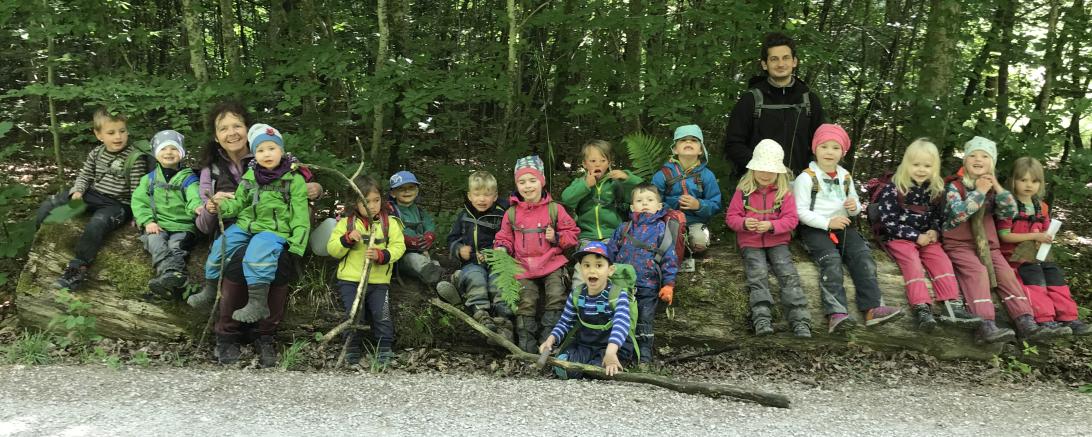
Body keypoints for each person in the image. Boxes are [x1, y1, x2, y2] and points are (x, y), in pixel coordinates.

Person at [193, 124, 311, 366]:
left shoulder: (293, 179)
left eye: (272, 149)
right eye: (261, 150)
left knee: (257, 254)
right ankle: (210, 287)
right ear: (254, 154)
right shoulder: (251, 174)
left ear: (282, 151)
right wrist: (221, 206)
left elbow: (300, 215)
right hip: (248, 224)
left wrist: (297, 245)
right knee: (222, 245)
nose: (267, 154)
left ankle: (259, 311)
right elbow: (239, 203)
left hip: (274, 230)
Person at [941, 137, 1061, 344]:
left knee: (1006, 274)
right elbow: (958, 215)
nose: (978, 159)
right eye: (973, 155)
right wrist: (978, 192)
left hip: (990, 245)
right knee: (978, 273)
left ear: (992, 163)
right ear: (965, 160)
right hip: (959, 244)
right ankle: (985, 325)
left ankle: (1025, 321)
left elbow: (1010, 210)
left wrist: (994, 185)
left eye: (985, 156)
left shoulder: (994, 189)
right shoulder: (955, 187)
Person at [794, 123, 902, 334]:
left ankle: (873, 308)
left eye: (835, 148)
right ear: (815, 148)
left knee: (862, 255)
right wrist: (827, 223)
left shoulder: (845, 176)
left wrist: (853, 207)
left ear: (843, 152)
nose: (829, 152)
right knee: (831, 260)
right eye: (824, 146)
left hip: (842, 227)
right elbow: (799, 212)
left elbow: (853, 203)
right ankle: (836, 313)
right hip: (814, 228)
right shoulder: (806, 178)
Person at [873, 139, 981, 331]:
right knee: (912, 263)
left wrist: (934, 231)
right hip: (899, 237)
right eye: (916, 165)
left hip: (926, 238)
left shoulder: (935, 190)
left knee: (942, 261)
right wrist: (915, 236)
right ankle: (921, 308)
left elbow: (938, 218)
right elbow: (889, 222)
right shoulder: (894, 188)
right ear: (907, 165)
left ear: (934, 167)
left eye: (927, 165)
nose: (921, 169)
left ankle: (952, 306)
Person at [36, 107, 146, 291]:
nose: (117, 137)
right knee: (53, 203)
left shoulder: (135, 158)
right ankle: (38, 237)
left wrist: (138, 214)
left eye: (122, 131)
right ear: (98, 134)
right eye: (111, 132)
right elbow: (85, 175)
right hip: (94, 195)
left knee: (98, 222)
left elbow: (138, 190)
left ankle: (77, 269)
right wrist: (78, 191)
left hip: (119, 204)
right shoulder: (96, 153)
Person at [193, 101, 322, 236]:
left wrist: (316, 190)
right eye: (223, 129)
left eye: (237, 126)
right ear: (216, 137)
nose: (231, 133)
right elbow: (204, 227)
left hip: (277, 231)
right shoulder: (211, 170)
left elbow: (305, 198)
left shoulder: (273, 157)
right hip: (232, 235)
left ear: (248, 130)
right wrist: (211, 206)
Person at [724, 139, 811, 337]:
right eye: (761, 169)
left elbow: (791, 220)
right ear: (753, 169)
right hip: (750, 242)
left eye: (770, 170)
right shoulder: (743, 192)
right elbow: (731, 218)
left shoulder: (784, 193)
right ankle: (762, 318)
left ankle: (800, 320)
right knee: (757, 275)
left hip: (778, 241)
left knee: (788, 275)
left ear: (778, 172)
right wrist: (745, 223)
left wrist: (772, 226)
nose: (765, 174)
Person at [493, 155, 580, 353]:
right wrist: (502, 248)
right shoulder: (512, 213)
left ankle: (549, 343)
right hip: (522, 266)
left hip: (552, 263)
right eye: (522, 182)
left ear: (542, 181)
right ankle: (527, 348)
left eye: (532, 180)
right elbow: (504, 236)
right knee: (525, 301)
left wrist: (557, 237)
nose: (528, 186)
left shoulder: (554, 209)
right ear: (516, 185)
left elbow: (572, 234)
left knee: (557, 295)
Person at [997, 157, 1088, 335]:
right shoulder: (1009, 206)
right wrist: (1035, 236)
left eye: (1034, 181)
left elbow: (1046, 230)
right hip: (1014, 255)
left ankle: (1068, 316)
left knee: (1053, 272)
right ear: (1013, 181)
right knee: (1034, 274)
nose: (1028, 185)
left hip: (1035, 251)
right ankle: (1044, 318)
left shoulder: (1042, 207)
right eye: (1023, 180)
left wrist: (1044, 238)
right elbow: (1005, 236)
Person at [327, 175, 406, 365]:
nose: (372, 206)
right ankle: (352, 347)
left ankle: (384, 347)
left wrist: (382, 256)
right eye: (366, 202)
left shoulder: (390, 223)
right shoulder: (346, 223)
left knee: (383, 314)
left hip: (379, 282)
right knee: (354, 314)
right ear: (355, 203)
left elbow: (399, 247)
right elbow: (332, 250)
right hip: (350, 280)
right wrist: (346, 239)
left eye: (376, 200)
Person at [723, 32, 826, 175]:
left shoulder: (809, 100)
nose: (781, 64)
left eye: (786, 58)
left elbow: (823, 144)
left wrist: (808, 174)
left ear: (794, 61)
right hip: (759, 184)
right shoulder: (751, 100)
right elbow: (733, 144)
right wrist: (763, 168)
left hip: (801, 184)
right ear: (765, 64)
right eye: (774, 59)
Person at [435, 171, 514, 342]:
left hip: (496, 262)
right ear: (470, 196)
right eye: (477, 194)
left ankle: (503, 319)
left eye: (487, 194)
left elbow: (508, 238)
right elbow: (452, 239)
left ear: (495, 196)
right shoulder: (463, 216)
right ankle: (481, 313)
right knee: (476, 278)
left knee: (498, 280)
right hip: (471, 262)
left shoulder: (502, 215)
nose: (482, 199)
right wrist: (459, 249)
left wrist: (497, 252)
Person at [539, 241, 636, 379]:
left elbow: (622, 323)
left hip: (612, 346)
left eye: (599, 265)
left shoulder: (616, 295)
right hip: (585, 344)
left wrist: (611, 351)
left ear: (610, 270)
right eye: (586, 265)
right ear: (580, 268)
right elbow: (565, 322)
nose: (592, 270)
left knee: (598, 372)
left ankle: (599, 367)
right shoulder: (578, 294)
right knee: (563, 368)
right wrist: (551, 340)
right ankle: (583, 367)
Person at [608, 183, 678, 363]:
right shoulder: (624, 228)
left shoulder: (662, 229)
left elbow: (669, 257)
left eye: (650, 200)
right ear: (632, 207)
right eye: (639, 200)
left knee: (644, 322)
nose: (644, 203)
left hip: (649, 285)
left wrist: (669, 285)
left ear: (659, 206)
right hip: (621, 285)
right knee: (621, 319)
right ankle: (621, 357)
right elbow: (610, 253)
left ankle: (644, 359)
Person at [562, 140, 643, 292]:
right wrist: (586, 185)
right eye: (593, 161)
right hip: (587, 237)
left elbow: (640, 190)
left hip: (612, 236)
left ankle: (616, 302)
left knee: (611, 268)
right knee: (583, 270)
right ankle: (578, 301)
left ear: (609, 162)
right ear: (585, 164)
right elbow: (567, 198)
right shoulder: (580, 182)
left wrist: (627, 177)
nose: (598, 164)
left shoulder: (615, 183)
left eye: (602, 160)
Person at [130, 130, 201, 299]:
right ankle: (171, 277)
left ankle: (170, 279)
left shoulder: (188, 178)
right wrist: (147, 221)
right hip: (159, 224)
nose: (168, 152)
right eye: (163, 149)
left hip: (182, 226)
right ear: (156, 153)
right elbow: (139, 201)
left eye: (174, 149)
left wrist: (197, 207)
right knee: (155, 241)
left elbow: (194, 196)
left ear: (182, 153)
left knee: (176, 246)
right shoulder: (149, 179)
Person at [651, 124, 722, 272]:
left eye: (694, 140)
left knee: (700, 243)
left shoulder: (707, 175)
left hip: (695, 222)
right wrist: (669, 207)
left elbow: (716, 204)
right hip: (669, 222)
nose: (688, 143)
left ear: (701, 150)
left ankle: (683, 250)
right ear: (675, 149)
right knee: (660, 240)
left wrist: (699, 205)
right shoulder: (663, 174)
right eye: (683, 140)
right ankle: (675, 250)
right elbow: (652, 201)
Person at [387, 170, 442, 290]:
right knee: (415, 261)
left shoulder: (419, 211)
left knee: (432, 262)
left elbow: (429, 224)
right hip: (402, 255)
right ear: (393, 193)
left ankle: (440, 279)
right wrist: (408, 241)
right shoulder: (391, 211)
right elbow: (389, 232)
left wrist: (429, 236)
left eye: (411, 187)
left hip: (423, 250)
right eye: (401, 188)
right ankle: (436, 279)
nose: (407, 191)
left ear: (417, 190)